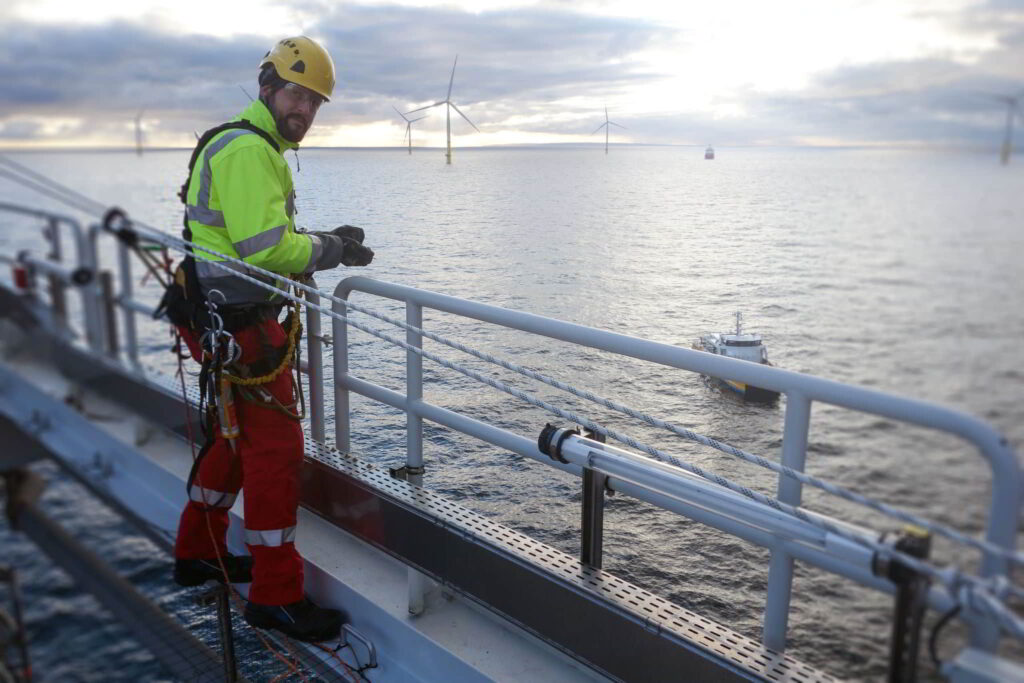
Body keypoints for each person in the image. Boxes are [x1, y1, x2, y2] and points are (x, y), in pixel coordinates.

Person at [168, 36, 373, 643]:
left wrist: (314, 239)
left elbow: (250, 237)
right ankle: (277, 596)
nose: (304, 109)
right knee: (276, 450)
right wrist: (331, 248)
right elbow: (267, 250)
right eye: (296, 93)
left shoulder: (242, 145)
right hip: (240, 327)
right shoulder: (250, 151)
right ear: (267, 87)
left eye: (314, 101)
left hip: (219, 317)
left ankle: (198, 552)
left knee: (234, 438)